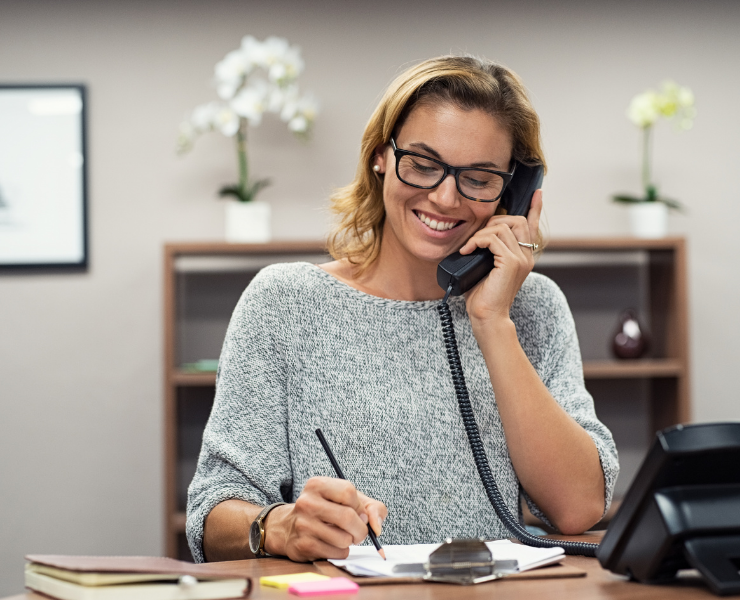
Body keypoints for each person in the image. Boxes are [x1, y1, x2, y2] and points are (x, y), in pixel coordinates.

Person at [186, 55, 619, 564]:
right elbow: (211, 514)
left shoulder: (532, 307)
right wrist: (277, 526)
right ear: (380, 156)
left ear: (515, 192)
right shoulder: (284, 302)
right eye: (422, 163)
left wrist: (492, 322)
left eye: (479, 178)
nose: (444, 196)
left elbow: (578, 509)